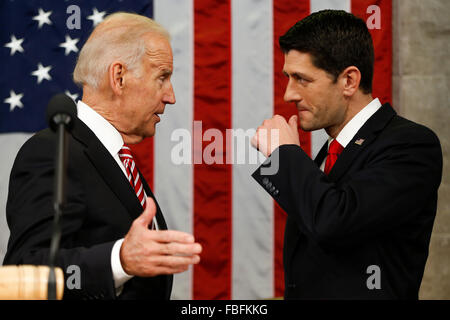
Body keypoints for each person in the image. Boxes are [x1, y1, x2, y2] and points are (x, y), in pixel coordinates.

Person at [3, 12, 202, 300]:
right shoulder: (54, 151)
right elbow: (27, 269)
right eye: (162, 77)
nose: (170, 96)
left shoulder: (116, 157)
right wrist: (119, 261)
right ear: (118, 77)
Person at [251, 10, 442, 299]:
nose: (289, 94)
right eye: (288, 78)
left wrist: (285, 154)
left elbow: (333, 221)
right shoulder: (328, 153)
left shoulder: (411, 145)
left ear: (349, 81)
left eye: (302, 79)